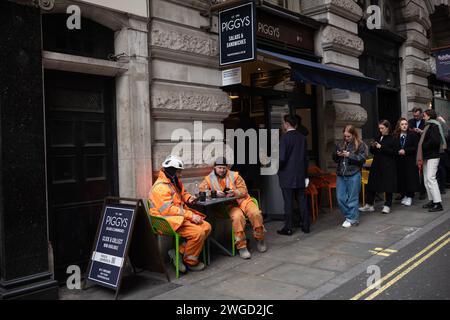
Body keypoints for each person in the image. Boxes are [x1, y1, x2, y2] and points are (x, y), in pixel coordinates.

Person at [148, 155, 211, 273]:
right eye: (178, 172)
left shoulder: (173, 181)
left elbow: (183, 193)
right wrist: (191, 215)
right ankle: (190, 261)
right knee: (198, 233)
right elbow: (168, 210)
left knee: (207, 226)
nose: (180, 175)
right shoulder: (160, 187)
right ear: (171, 171)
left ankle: (178, 253)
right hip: (166, 221)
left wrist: (189, 199)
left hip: (178, 218)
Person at [198, 157, 266, 259]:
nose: (222, 170)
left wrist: (234, 192)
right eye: (219, 168)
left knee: (255, 213)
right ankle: (241, 247)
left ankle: (260, 239)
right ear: (214, 168)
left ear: (227, 168)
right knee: (237, 217)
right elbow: (201, 190)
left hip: (243, 201)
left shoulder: (235, 175)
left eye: (224, 168)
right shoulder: (209, 179)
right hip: (230, 205)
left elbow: (244, 190)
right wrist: (214, 193)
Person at [277, 115, 309, 235]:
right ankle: (306, 226)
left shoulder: (285, 138)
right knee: (302, 200)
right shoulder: (302, 138)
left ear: (286, 124)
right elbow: (306, 158)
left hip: (287, 174)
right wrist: (306, 175)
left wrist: (277, 168)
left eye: (284, 123)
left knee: (288, 202)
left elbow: (282, 158)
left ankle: (288, 227)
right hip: (300, 174)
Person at [333, 125, 368, 228]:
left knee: (352, 198)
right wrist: (337, 154)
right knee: (340, 198)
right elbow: (334, 158)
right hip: (341, 174)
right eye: (345, 136)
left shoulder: (360, 145)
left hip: (354, 173)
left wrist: (349, 155)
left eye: (348, 136)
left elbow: (362, 159)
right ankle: (351, 217)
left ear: (353, 135)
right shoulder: (340, 143)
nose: (346, 138)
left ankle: (352, 219)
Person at [359, 120, 397, 214]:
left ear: (387, 128)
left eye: (382, 128)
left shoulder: (392, 138)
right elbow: (373, 152)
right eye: (379, 128)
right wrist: (373, 146)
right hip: (376, 163)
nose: (380, 130)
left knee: (388, 185)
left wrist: (381, 147)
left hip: (388, 165)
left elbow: (394, 152)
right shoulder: (378, 137)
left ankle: (387, 205)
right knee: (372, 183)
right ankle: (369, 204)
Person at [417, 109, 446, 212]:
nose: (423, 117)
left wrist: (423, 146)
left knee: (431, 178)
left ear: (429, 116)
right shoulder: (428, 125)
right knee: (426, 179)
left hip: (433, 156)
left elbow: (435, 141)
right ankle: (432, 201)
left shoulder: (433, 126)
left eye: (424, 115)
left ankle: (438, 203)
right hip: (427, 156)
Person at [393, 118, 420, 206]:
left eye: (406, 124)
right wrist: (398, 150)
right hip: (400, 161)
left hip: (410, 160)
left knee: (410, 178)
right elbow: (393, 146)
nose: (404, 126)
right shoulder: (396, 135)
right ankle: (404, 195)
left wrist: (406, 151)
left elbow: (415, 147)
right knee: (402, 178)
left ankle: (410, 196)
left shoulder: (412, 135)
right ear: (399, 126)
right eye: (402, 124)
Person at [408, 107, 427, 199]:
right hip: (413, 148)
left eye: (417, 115)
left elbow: (428, 135)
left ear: (421, 114)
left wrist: (421, 132)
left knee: (422, 170)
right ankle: (414, 189)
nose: (415, 117)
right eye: (414, 115)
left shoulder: (425, 122)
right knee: (413, 170)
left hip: (422, 148)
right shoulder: (410, 121)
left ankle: (422, 191)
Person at [436, 116, 449, 194]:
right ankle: (438, 187)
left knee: (441, 169)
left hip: (441, 150)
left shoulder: (442, 123)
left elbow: (446, 135)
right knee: (438, 170)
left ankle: (442, 187)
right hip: (435, 150)